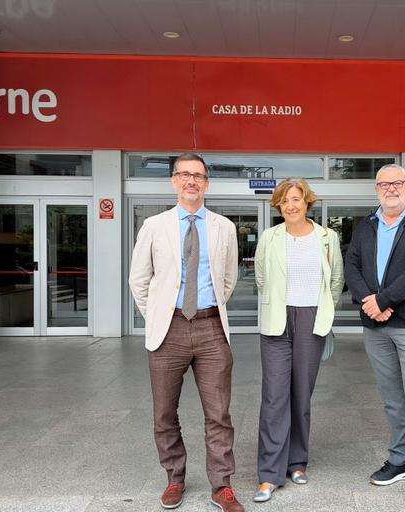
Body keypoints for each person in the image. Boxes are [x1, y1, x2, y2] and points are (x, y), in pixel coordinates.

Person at [129, 153, 245, 512]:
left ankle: (221, 486)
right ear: (173, 181)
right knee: (164, 412)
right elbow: (139, 280)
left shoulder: (224, 226)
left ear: (207, 183)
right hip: (169, 330)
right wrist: (160, 317)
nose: (191, 181)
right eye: (184, 175)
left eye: (198, 175)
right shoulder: (154, 226)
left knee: (219, 414)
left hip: (211, 328)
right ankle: (174, 478)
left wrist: (208, 309)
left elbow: (228, 278)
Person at [345, 164, 405, 509]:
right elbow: (351, 265)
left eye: (396, 183)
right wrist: (369, 303)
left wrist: (384, 301)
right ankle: (399, 460)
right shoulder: (366, 225)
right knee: (392, 398)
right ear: (376, 189)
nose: (390, 189)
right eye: (384, 184)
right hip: (376, 325)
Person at [252, 178, 344, 502]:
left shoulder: (327, 237)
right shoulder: (269, 237)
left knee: (301, 396)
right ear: (278, 205)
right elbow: (261, 278)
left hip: (311, 319)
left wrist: (323, 314)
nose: (291, 205)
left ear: (308, 203)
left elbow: (335, 281)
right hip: (277, 319)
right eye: (285, 200)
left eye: (297, 199)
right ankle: (269, 474)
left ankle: (297, 462)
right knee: (275, 397)